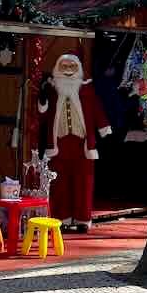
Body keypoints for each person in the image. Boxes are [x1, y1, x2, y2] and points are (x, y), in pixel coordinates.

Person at [38, 53, 111, 231]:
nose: (69, 70)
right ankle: (61, 218)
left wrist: (104, 127)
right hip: (59, 144)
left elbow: (96, 110)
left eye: (72, 67)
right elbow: (43, 113)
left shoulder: (87, 89)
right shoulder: (52, 89)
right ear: (57, 69)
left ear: (78, 69)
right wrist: (42, 95)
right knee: (59, 183)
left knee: (83, 182)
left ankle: (81, 219)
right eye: (65, 67)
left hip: (82, 144)